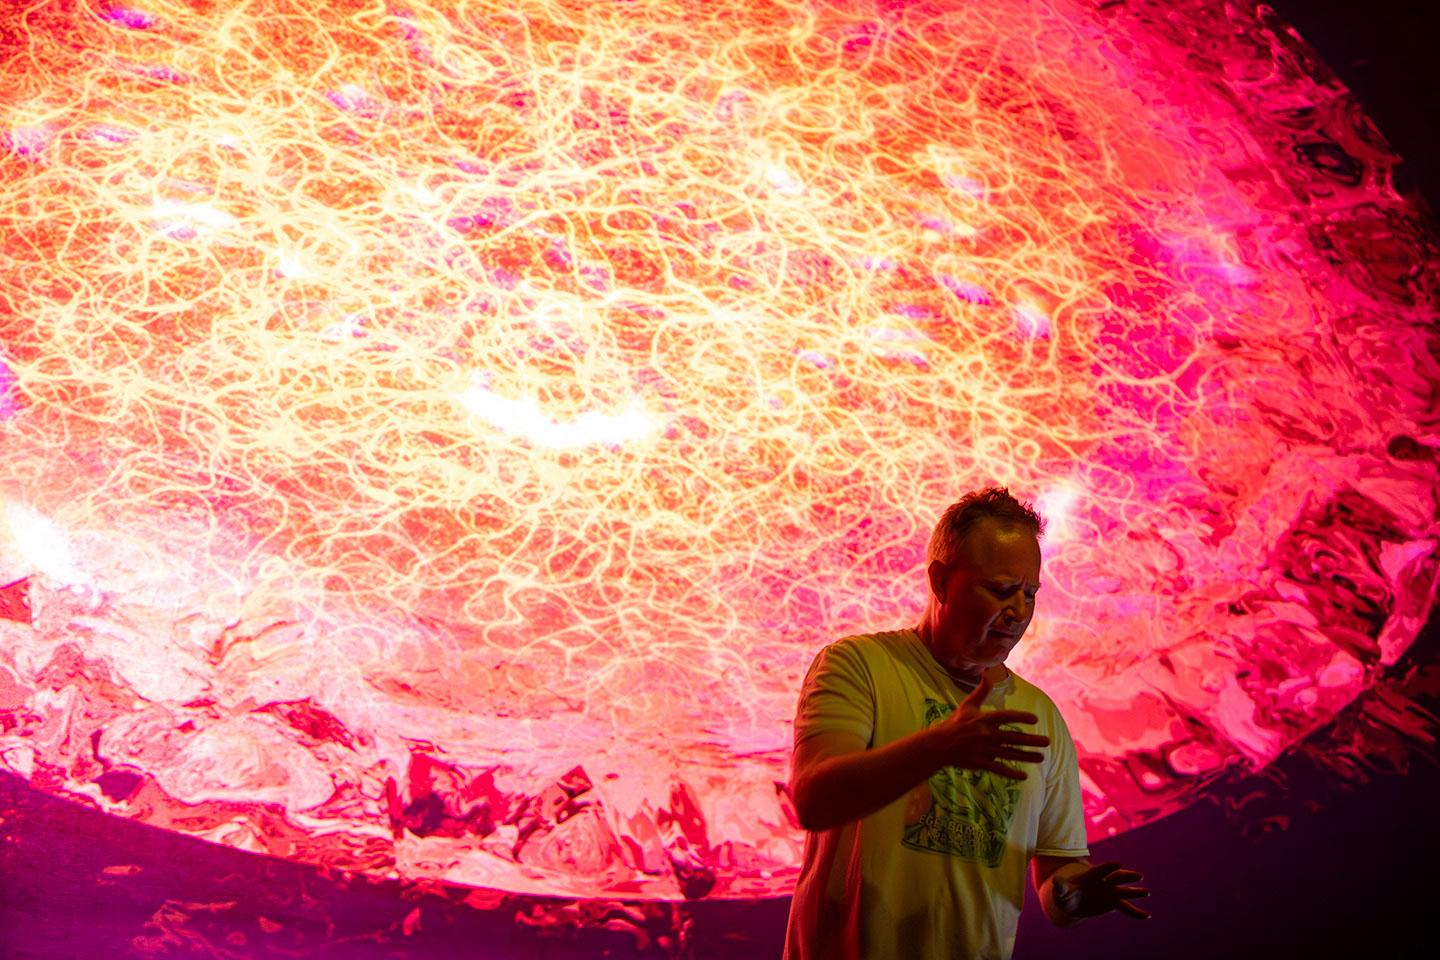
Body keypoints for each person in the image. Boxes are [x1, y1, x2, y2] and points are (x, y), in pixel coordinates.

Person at [784, 487, 1150, 959]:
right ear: (940, 582)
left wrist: (1073, 896)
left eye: (1029, 594)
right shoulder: (857, 665)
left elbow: (1056, 877)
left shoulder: (1041, 716)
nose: (1018, 612)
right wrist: (938, 747)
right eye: (1000, 590)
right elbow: (814, 799)